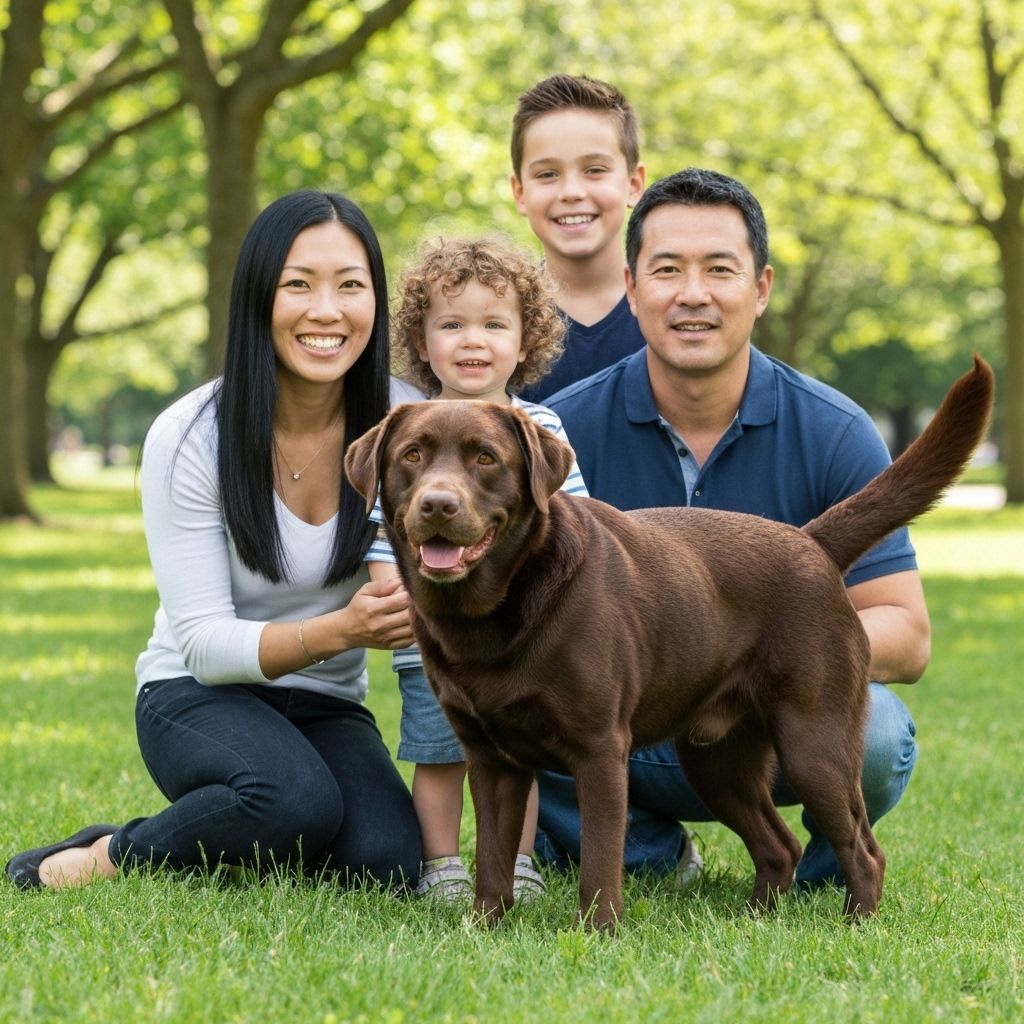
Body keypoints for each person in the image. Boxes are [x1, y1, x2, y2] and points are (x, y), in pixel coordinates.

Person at [5, 190, 424, 891]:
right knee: (293, 801)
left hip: (325, 702)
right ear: (259, 296)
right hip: (194, 693)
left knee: (386, 863)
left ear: (376, 302)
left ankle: (242, 835)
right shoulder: (190, 435)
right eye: (298, 285)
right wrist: (345, 629)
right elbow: (203, 644)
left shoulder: (409, 422)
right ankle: (112, 852)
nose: (327, 310)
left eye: (351, 286)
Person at [535, 167, 925, 891]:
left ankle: (824, 870)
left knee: (878, 735)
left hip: (772, 715)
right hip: (619, 728)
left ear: (762, 287)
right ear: (631, 288)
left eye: (719, 269)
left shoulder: (836, 431)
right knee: (525, 708)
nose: (693, 293)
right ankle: (652, 858)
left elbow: (907, 634)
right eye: (667, 270)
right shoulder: (561, 431)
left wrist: (764, 652)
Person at [377, 235, 588, 901]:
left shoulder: (541, 427)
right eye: (452, 325)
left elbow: (580, 530)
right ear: (421, 340)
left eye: (494, 325)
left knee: (517, 758)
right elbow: (384, 532)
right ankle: (441, 864)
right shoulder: (404, 428)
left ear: (526, 342)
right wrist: (391, 590)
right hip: (435, 643)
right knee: (438, 753)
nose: (473, 340)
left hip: (526, 642)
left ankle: (517, 863)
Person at [510, 74, 647, 402]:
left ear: (633, 184)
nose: (571, 192)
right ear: (520, 192)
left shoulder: (670, 308)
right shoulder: (497, 321)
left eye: (595, 170)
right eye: (547, 174)